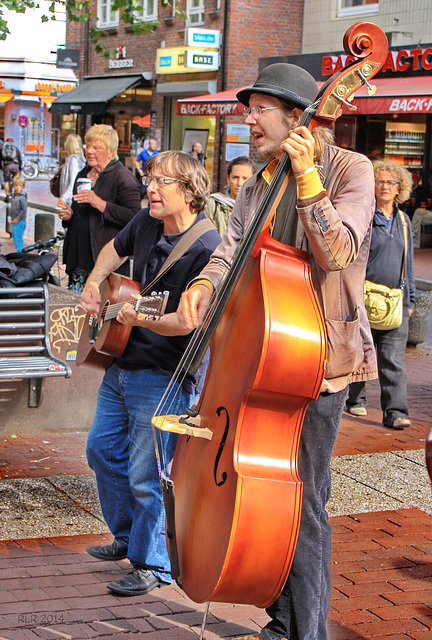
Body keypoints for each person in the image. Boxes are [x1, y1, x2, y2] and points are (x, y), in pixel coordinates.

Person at [176, 63, 377, 640]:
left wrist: (308, 176)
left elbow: (338, 252)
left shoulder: (350, 169)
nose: (248, 119)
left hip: (319, 364)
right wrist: (204, 286)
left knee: (306, 503)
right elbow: (230, 252)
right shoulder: (256, 182)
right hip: (259, 356)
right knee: (262, 489)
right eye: (249, 109)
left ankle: (306, 631)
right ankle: (281, 613)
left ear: (298, 118)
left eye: (260, 109)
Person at [80, 150, 221, 597]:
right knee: (101, 450)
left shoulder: (206, 248)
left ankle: (152, 563)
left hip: (164, 373)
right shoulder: (146, 222)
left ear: (191, 191)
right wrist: (91, 284)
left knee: (148, 473)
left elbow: (186, 321)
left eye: (162, 182)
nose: (151, 188)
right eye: (150, 179)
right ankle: (127, 537)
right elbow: (112, 250)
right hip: (121, 362)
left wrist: (135, 318)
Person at [346, 161, 415, 429]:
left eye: (390, 182)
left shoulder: (403, 221)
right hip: (364, 297)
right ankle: (355, 399)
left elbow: (407, 263)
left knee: (393, 359)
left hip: (394, 301)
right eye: (380, 181)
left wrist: (409, 301)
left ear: (400, 188)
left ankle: (395, 412)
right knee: (362, 353)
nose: (385, 186)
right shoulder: (365, 216)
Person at [58, 124, 141, 292]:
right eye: (88, 146)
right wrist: (68, 215)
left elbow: (135, 216)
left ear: (111, 151)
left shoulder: (123, 177)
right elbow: (81, 213)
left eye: (96, 147)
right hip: (80, 257)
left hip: (107, 263)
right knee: (79, 311)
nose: (89, 151)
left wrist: (100, 203)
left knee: (100, 313)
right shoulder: (83, 173)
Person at [205, 156, 256, 234]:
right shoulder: (213, 204)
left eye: (245, 178)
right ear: (228, 179)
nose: (239, 183)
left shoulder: (258, 208)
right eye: (235, 177)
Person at [57, 134, 86, 205]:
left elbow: (73, 182)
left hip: (70, 201)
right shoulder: (80, 160)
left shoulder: (74, 160)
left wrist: (63, 198)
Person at [10, 174, 27, 252]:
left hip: (20, 221)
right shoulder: (14, 196)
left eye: (20, 186)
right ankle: (18, 251)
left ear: (23, 187)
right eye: (16, 185)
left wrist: (18, 218)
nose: (18, 188)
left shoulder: (22, 197)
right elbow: (12, 207)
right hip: (14, 220)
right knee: (15, 238)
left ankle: (19, 253)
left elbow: (24, 209)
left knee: (18, 239)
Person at [1, 137, 22, 201]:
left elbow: (1, 158)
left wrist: (2, 167)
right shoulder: (15, 149)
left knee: (6, 181)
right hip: (15, 165)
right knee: (15, 180)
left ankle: (7, 195)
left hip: (7, 166)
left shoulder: (3, 149)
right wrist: (20, 168)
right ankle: (15, 194)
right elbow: (20, 159)